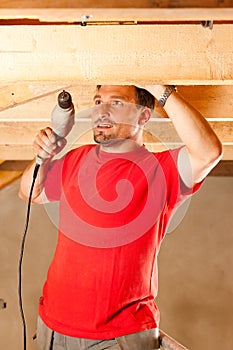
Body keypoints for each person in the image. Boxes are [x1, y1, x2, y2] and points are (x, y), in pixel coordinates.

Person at [19, 85, 222, 350]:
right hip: (53, 329)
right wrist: (43, 155)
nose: (101, 111)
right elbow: (29, 192)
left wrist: (160, 89)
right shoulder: (75, 161)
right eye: (98, 101)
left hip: (118, 338)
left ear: (143, 116)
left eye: (116, 103)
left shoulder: (161, 170)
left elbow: (208, 152)